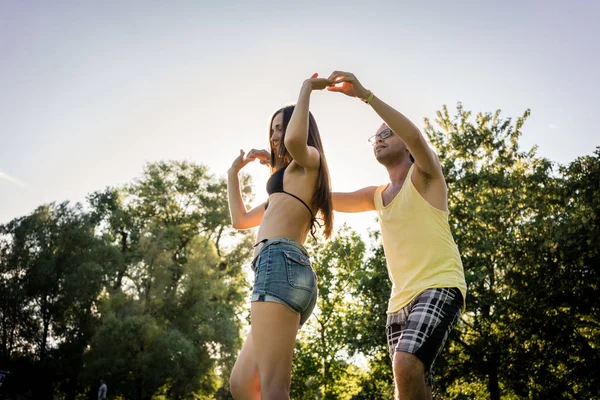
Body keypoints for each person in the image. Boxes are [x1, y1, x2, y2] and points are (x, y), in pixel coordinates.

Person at [327, 71, 467, 400]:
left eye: (387, 133)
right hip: (398, 304)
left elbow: (417, 137)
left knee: (405, 364)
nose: (379, 138)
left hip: (440, 284)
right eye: (375, 137)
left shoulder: (427, 177)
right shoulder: (375, 195)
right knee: (411, 384)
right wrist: (283, 171)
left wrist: (366, 96)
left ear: (404, 143)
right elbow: (322, 198)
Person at [227, 73, 334, 400]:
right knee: (244, 384)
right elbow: (240, 220)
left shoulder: (310, 161)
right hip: (278, 269)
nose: (276, 135)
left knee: (274, 388)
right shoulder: (284, 186)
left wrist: (306, 89)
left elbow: (294, 144)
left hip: (281, 264)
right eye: (272, 129)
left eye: (281, 127)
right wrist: (233, 174)